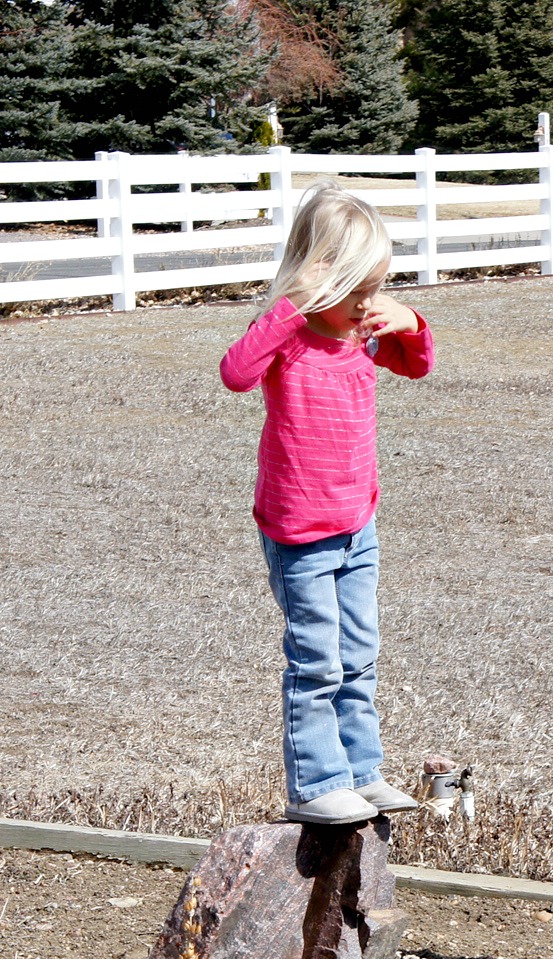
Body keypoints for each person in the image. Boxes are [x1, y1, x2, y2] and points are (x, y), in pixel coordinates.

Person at [220, 183, 434, 825]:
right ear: (319, 278)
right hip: (300, 530)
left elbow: (416, 364)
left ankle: (360, 770)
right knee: (316, 659)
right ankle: (316, 782)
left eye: (377, 288)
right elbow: (234, 372)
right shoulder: (287, 334)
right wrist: (291, 304)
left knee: (360, 653)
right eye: (357, 289)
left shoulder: (363, 334)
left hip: (357, 521)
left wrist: (412, 323)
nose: (369, 303)